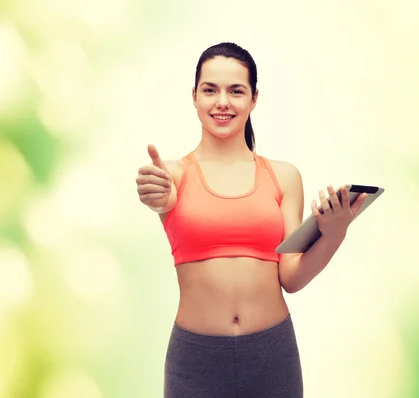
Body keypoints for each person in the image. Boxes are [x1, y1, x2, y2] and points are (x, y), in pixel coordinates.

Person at [135, 42, 367, 398]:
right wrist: (157, 197)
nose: (222, 102)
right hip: (195, 358)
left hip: (272, 354)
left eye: (236, 91)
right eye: (210, 90)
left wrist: (335, 232)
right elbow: (160, 197)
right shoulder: (173, 175)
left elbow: (291, 277)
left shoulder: (284, 176)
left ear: (254, 98)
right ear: (194, 96)